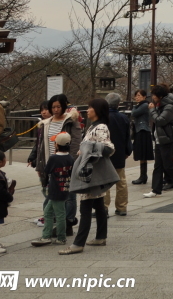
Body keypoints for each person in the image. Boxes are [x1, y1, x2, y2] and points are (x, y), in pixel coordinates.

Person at [60, 98, 117, 255]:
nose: (88, 110)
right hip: (93, 171)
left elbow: (108, 148)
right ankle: (100, 236)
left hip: (90, 172)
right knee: (98, 205)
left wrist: (87, 149)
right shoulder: (95, 126)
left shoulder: (100, 127)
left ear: (97, 110)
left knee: (85, 207)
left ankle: (78, 243)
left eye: (90, 107)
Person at [27, 94, 83, 232]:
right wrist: (40, 165)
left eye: (58, 106)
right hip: (49, 163)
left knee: (69, 195)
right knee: (50, 194)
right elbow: (40, 145)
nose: (56, 109)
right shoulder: (45, 123)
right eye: (53, 107)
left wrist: (70, 163)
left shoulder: (71, 121)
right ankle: (51, 221)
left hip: (66, 164)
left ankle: (68, 223)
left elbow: (76, 144)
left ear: (64, 106)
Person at [143, 85, 173, 198]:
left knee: (168, 166)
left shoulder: (169, 106)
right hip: (159, 138)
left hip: (167, 139)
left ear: (160, 96)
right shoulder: (161, 104)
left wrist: (152, 110)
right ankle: (155, 190)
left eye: (154, 95)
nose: (152, 97)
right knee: (158, 165)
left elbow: (160, 121)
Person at [32, 132, 74, 246]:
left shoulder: (54, 158)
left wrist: (44, 183)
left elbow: (46, 172)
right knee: (48, 212)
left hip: (55, 189)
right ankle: (46, 235)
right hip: (65, 188)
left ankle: (61, 237)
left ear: (57, 144)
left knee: (59, 214)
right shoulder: (70, 158)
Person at [103, 92, 132, 216]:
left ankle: (103, 207)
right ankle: (121, 207)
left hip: (105, 154)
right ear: (118, 104)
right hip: (119, 153)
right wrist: (127, 151)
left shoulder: (102, 118)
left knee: (105, 182)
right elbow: (127, 137)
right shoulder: (123, 118)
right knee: (121, 182)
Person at [130, 90, 153, 185]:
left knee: (142, 153)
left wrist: (135, 106)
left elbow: (133, 113)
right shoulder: (142, 105)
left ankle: (143, 176)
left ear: (144, 97)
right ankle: (142, 175)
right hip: (140, 130)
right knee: (141, 154)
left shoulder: (143, 105)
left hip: (143, 130)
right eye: (136, 95)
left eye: (139, 95)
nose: (137, 97)